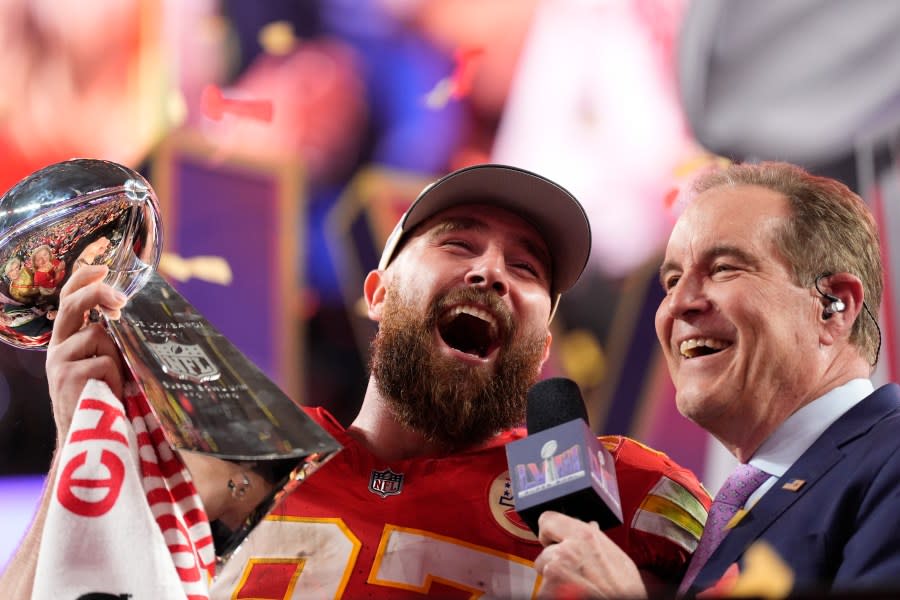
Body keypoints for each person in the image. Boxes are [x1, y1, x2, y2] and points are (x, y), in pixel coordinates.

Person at [1, 164, 710, 599]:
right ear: (376, 292)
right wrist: (80, 459)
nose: (492, 271)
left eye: (527, 270)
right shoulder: (228, 461)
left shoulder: (623, 488)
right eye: (459, 242)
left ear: (543, 348)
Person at [535, 160, 900, 598]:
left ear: (832, 306)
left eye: (724, 268)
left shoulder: (888, 459)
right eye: (671, 281)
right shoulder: (733, 514)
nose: (678, 304)